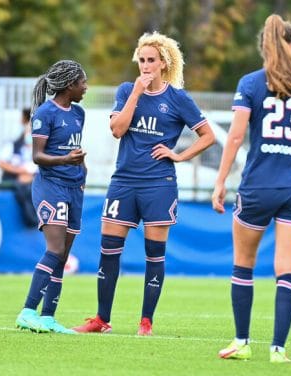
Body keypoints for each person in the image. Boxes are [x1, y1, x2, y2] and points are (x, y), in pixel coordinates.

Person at [72, 32, 215, 335]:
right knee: (108, 249)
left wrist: (179, 156)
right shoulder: (127, 90)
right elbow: (117, 130)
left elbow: (208, 136)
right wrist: (137, 94)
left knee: (154, 253)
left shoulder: (177, 99)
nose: (146, 66)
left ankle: (146, 322)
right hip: (124, 181)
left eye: (152, 60)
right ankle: (101, 319)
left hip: (158, 184)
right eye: (142, 60)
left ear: (163, 63)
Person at [211, 14, 291, 363]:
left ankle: (242, 342)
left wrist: (220, 181)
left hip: (259, 186)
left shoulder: (250, 83)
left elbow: (234, 136)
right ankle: (278, 349)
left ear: (263, 46)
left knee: (243, 264)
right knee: (287, 268)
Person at [15, 59, 88, 334]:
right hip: (51, 187)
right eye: (83, 82)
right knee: (55, 250)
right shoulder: (45, 113)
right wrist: (66, 159)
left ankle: (48, 317)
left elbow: (75, 149)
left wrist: (82, 172)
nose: (86, 87)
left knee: (64, 255)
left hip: (74, 187)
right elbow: (37, 156)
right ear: (70, 85)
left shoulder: (79, 113)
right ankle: (27, 311)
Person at [0, 108, 39, 227]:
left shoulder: (43, 149)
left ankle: (33, 220)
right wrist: (20, 172)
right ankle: (32, 220)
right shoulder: (13, 145)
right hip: (15, 182)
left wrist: (30, 177)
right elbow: (1, 162)